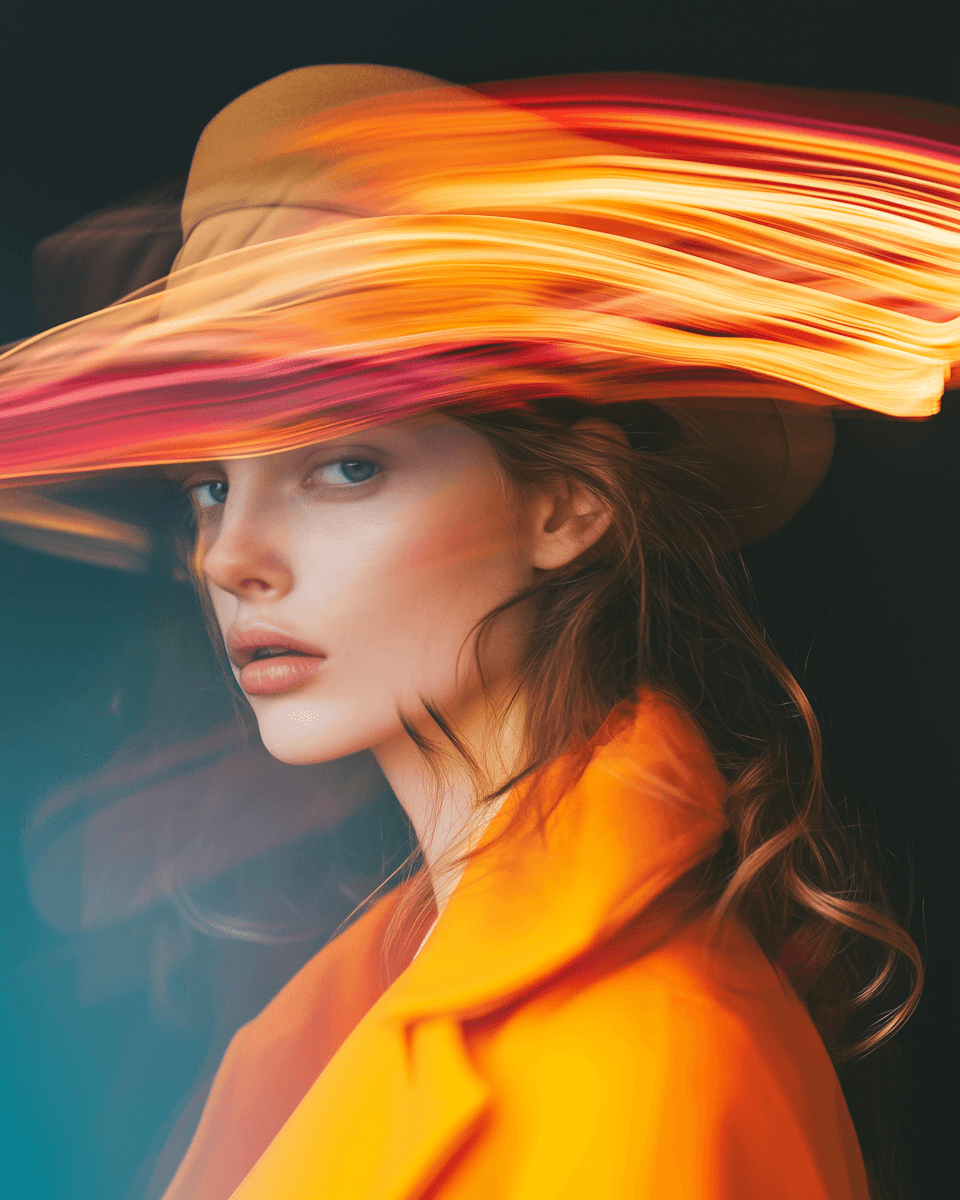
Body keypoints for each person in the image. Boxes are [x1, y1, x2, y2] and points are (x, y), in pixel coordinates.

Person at [3, 62, 958, 1200]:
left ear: (567, 506)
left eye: (344, 465)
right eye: (210, 485)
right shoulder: (371, 998)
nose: (227, 556)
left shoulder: (645, 1058)